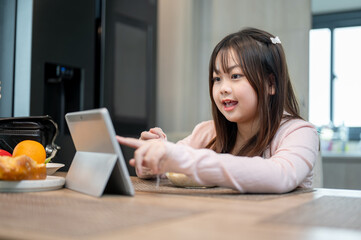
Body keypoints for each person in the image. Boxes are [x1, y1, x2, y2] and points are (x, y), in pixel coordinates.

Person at [117, 27, 319, 193]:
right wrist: (153, 157)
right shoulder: (208, 132)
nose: (223, 88)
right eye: (217, 78)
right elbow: (162, 171)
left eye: (236, 76)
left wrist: (183, 159)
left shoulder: (299, 133)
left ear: (270, 84)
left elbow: (280, 176)